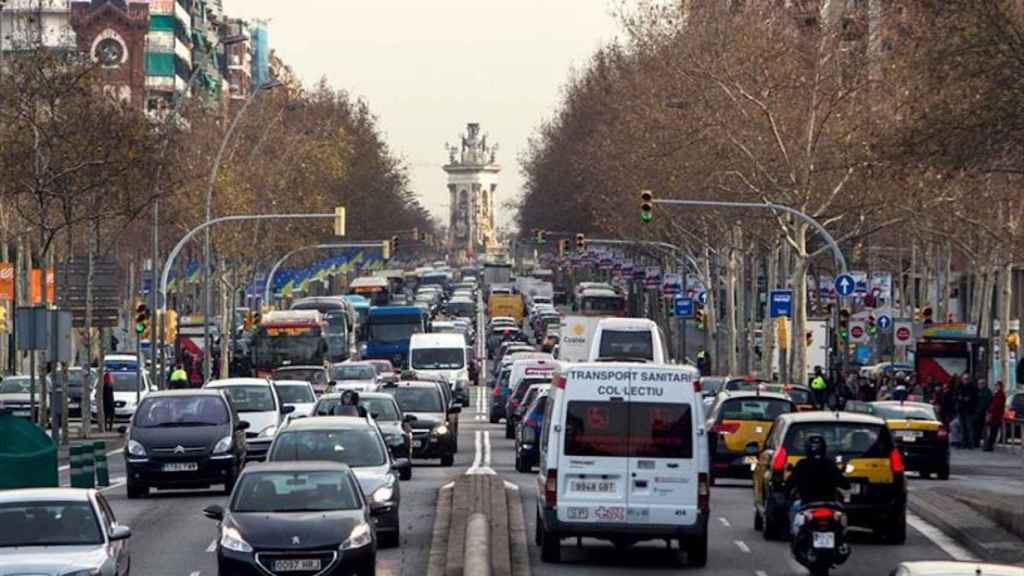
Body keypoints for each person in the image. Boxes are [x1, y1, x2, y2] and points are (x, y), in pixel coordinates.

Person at [785, 435, 850, 533]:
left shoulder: (802, 464)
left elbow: (789, 484)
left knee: (794, 509)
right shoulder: (830, 464)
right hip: (830, 504)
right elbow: (845, 485)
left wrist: (786, 494)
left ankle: (794, 537)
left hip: (807, 504)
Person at [956, 373, 978, 449]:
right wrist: (961, 399)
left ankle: (970, 444)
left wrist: (964, 399)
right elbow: (957, 396)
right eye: (964, 379)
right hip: (961, 409)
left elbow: (972, 398)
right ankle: (963, 443)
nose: (966, 380)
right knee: (962, 428)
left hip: (969, 410)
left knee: (969, 427)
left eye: (967, 379)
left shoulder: (972, 387)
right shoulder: (959, 387)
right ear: (962, 379)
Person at [984, 381, 1006, 452]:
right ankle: (989, 446)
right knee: (992, 432)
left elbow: (996, 406)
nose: (996, 387)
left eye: (997, 385)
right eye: (996, 385)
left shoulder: (1001, 394)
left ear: (1000, 386)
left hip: (996, 416)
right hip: (993, 416)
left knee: (993, 432)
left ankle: (989, 446)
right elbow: (992, 404)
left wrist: (990, 412)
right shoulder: (996, 394)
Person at [974, 379, 992, 449]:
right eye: (978, 384)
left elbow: (989, 402)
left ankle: (986, 444)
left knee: (984, 430)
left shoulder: (988, 392)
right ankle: (976, 442)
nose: (979, 385)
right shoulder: (977, 391)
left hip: (984, 413)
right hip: (977, 413)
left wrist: (987, 412)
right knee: (976, 429)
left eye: (981, 384)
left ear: (984, 384)